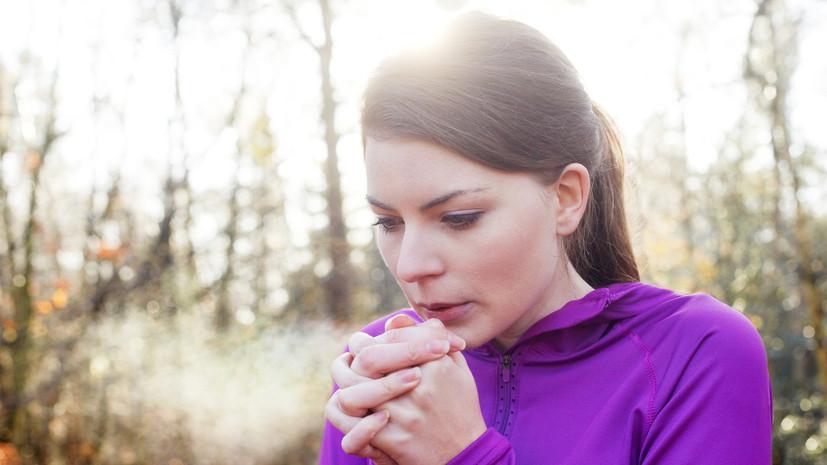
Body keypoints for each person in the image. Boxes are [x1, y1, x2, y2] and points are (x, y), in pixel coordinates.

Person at [320, 12, 772, 465]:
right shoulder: (382, 373)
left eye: (459, 218)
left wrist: (461, 455)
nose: (410, 266)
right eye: (389, 222)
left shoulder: (696, 353)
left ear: (566, 198)